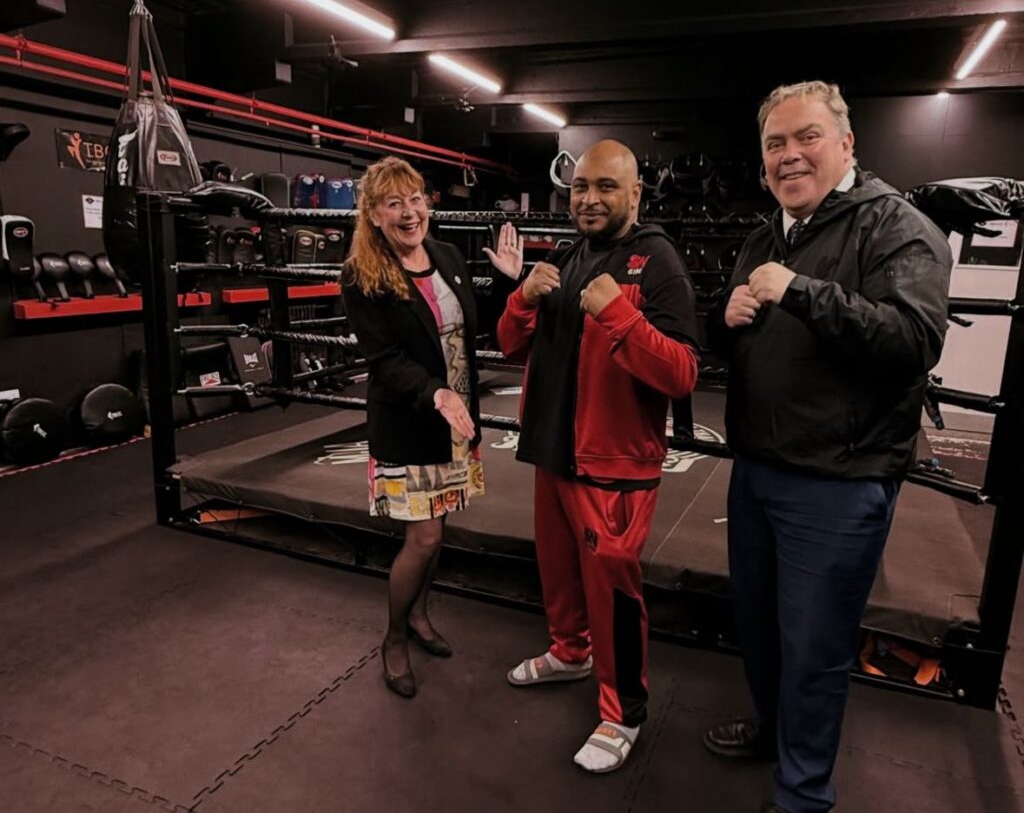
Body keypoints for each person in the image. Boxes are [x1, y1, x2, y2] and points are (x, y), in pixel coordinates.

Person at [702, 81, 953, 813]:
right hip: (757, 468)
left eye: (806, 137)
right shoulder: (765, 238)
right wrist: (725, 318)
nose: (789, 155)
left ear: (846, 144)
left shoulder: (896, 226)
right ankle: (773, 733)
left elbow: (911, 341)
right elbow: (735, 343)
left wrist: (801, 291)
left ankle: (802, 794)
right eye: (775, 144)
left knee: (814, 648)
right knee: (758, 629)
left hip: (838, 482)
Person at [497, 139, 700, 772]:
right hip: (553, 448)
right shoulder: (566, 254)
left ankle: (623, 712)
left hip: (613, 464)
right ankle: (570, 652)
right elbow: (508, 346)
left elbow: (683, 372)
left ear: (635, 194)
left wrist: (618, 315)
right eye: (581, 187)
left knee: (612, 592)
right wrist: (521, 299)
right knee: (558, 573)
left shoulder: (658, 261)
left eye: (606, 187)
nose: (589, 199)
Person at [342, 156, 523, 699]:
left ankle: (419, 616)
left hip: (455, 421)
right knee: (423, 537)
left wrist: (505, 283)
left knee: (437, 528)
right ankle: (394, 638)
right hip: (412, 419)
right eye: (394, 203)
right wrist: (435, 393)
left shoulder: (445, 255)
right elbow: (384, 360)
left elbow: (475, 326)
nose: (409, 212)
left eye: (416, 199)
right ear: (374, 214)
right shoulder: (363, 274)